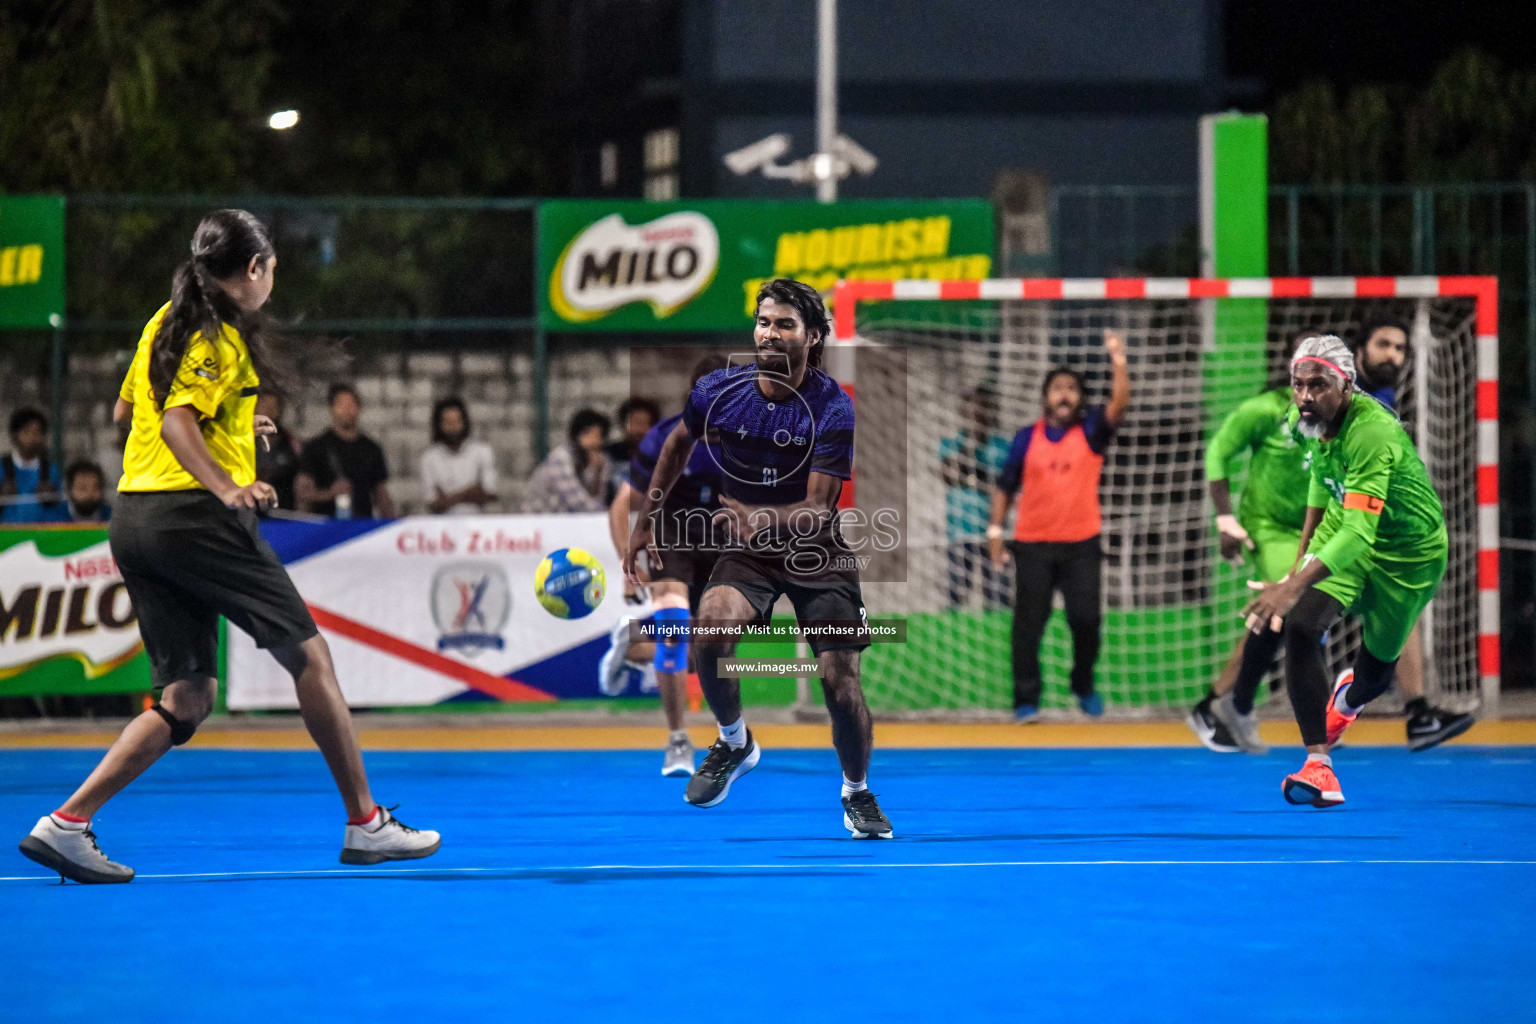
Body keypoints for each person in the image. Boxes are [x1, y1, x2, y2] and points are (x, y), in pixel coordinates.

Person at [17, 209, 438, 884]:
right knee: (311, 656)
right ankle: (367, 824)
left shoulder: (165, 320)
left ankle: (65, 824)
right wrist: (225, 484)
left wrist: (242, 419)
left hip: (136, 519)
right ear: (253, 269)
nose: (274, 279)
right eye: (272, 267)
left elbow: (134, 413)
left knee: (185, 698)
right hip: (193, 518)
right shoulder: (215, 336)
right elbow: (179, 417)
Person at [624, 278, 893, 839]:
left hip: (816, 552)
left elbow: (820, 508)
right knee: (709, 633)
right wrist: (646, 519)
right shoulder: (720, 391)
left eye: (785, 324)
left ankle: (857, 792)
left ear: (812, 337)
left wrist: (759, 518)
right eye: (764, 322)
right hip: (749, 550)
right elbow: (677, 444)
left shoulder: (831, 407)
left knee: (839, 681)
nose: (770, 333)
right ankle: (734, 741)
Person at [1243, 334, 1449, 807]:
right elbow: (1320, 481)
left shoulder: (1371, 432)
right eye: (1298, 385)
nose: (1306, 396)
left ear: (1347, 385)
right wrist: (1296, 571)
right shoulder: (1305, 419)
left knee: (1374, 679)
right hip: (1347, 533)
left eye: (1318, 385)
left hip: (1409, 556)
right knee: (1299, 625)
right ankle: (1319, 766)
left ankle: (1349, 701)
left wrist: (1292, 583)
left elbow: (1361, 533)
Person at [1187, 331, 1324, 754]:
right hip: (1271, 528)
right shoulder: (1265, 410)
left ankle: (1228, 704)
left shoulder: (1344, 415)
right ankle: (1318, 725)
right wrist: (1225, 519)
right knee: (1296, 604)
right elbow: (1217, 452)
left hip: (1322, 528)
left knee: (1282, 616)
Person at [987, 334, 1131, 722]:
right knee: (1027, 627)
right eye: (1057, 389)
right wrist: (995, 534)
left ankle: (1082, 684)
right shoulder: (1025, 438)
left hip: (1082, 544)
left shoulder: (1091, 432)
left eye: (1071, 389)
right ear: (1045, 396)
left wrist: (1118, 359)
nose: (1064, 395)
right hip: (1032, 545)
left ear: (1080, 397)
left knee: (1086, 621)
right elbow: (1004, 487)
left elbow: (1119, 404)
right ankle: (1026, 700)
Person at [1344, 317, 1473, 750]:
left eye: (1400, 349)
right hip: (1318, 517)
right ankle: (1226, 705)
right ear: (1358, 348)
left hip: (1370, 523)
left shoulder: (1383, 397)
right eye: (1384, 344)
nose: (1393, 356)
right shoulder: (1331, 391)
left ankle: (1416, 714)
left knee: (1403, 609)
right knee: (1300, 615)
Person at [603, 356, 728, 777]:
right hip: (671, 541)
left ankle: (632, 641)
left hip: (722, 548)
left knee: (707, 653)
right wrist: (627, 563)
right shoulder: (663, 439)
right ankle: (678, 740)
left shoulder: (750, 439)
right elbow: (622, 504)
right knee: (675, 631)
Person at [938, 385, 1010, 608]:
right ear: (962, 413)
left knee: (999, 596)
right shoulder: (950, 444)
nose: (976, 414)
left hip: (994, 531)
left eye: (981, 409)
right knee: (956, 595)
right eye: (971, 409)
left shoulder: (1002, 446)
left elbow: (1004, 484)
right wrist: (971, 443)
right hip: (960, 533)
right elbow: (949, 475)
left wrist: (974, 479)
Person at [295, 383, 395, 519]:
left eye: (351, 404)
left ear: (358, 408)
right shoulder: (317, 447)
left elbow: (381, 494)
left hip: (361, 525)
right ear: (331, 409)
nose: (347, 410)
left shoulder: (371, 449)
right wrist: (330, 494)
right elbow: (302, 493)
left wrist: (390, 525)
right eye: (341, 404)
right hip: (326, 527)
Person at [521, 409, 612, 514]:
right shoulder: (560, 458)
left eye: (597, 436)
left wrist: (598, 473)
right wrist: (607, 512)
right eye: (588, 434)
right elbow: (576, 501)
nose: (593, 441)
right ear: (577, 435)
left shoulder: (602, 461)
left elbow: (598, 499)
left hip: (571, 520)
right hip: (539, 518)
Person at [420, 396, 498, 514]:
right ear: (439, 425)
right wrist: (470, 492)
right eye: (448, 422)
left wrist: (448, 498)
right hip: (442, 528)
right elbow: (433, 503)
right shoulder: (429, 458)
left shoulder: (482, 451)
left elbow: (490, 494)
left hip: (476, 525)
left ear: (464, 422)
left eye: (457, 421)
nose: (453, 427)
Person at [1, 407, 63, 523]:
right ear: (15, 435)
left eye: (37, 433)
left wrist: (50, 499)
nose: (33, 438)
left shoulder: (51, 471)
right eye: (26, 432)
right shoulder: (2, 467)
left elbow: (60, 510)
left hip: (41, 534)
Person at [605, 397, 661, 503]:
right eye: (633, 423)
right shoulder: (610, 453)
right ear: (623, 424)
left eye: (643, 423)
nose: (638, 430)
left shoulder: (661, 454)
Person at [253, 391, 301, 510]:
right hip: (250, 510)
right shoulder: (243, 440)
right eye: (264, 406)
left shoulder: (291, 442)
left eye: (272, 407)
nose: (268, 411)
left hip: (283, 512)